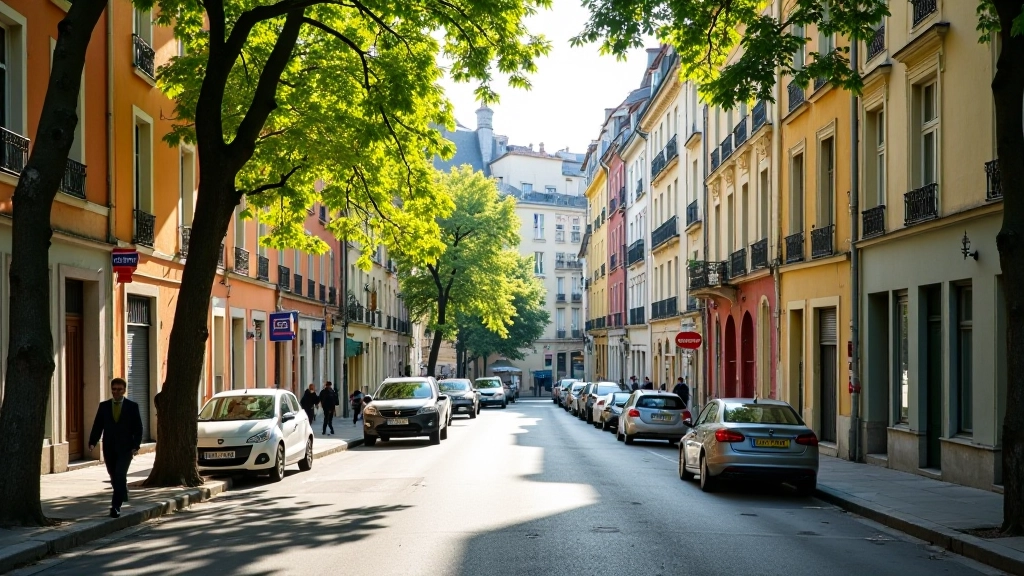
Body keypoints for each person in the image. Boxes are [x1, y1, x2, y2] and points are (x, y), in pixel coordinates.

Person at [88, 378, 143, 518]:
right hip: (109, 447)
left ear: (124, 390)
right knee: (113, 476)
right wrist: (92, 441)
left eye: (119, 389)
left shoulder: (132, 406)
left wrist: (136, 445)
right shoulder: (104, 406)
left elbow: (138, 428)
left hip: (126, 448)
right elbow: (98, 425)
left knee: (119, 475)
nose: (116, 392)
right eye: (114, 389)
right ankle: (122, 490)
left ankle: (115, 506)